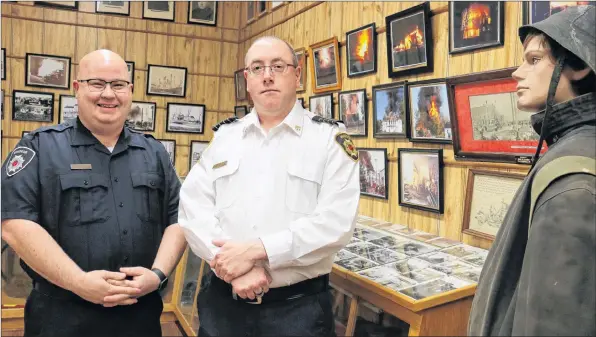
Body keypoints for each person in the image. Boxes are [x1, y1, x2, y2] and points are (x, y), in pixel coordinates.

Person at [179, 36, 360, 336]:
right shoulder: (226, 137)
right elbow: (192, 206)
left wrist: (257, 251)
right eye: (257, 67)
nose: (267, 75)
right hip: (224, 307)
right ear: (247, 79)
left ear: (297, 75)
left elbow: (335, 223)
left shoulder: (329, 139)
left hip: (297, 312)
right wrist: (231, 266)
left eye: (278, 65)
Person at [1, 49, 187, 337]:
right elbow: (14, 224)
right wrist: (78, 281)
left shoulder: (154, 153)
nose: (108, 94)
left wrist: (159, 275)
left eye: (118, 85)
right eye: (97, 84)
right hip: (62, 317)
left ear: (131, 91)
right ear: (77, 88)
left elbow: (178, 218)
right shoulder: (40, 148)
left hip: (140, 316)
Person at [468, 6, 595, 336]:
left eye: (534, 59)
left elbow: (555, 323)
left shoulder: (574, 178)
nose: (517, 72)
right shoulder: (573, 150)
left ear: (578, 65)